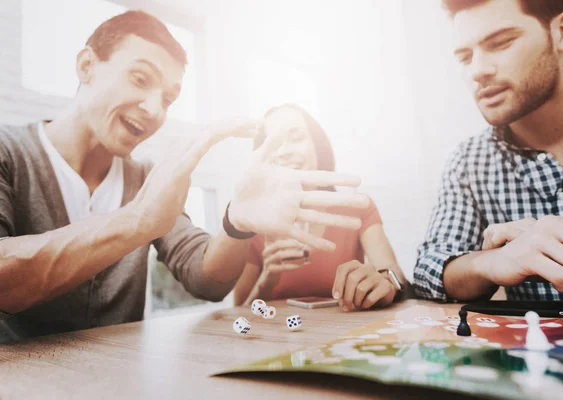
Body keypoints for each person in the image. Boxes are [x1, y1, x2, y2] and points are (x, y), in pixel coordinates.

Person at [0, 11, 371, 342]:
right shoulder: (7, 153)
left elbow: (206, 279)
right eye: (140, 78)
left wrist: (235, 222)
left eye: (168, 99)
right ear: (86, 65)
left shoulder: (146, 176)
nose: (153, 109)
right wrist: (138, 219)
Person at [414, 0, 563, 302]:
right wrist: (490, 263)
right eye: (465, 57)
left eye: (500, 44)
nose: (477, 71)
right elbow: (429, 269)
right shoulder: (470, 161)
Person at [233, 104, 409, 311]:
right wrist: (266, 280)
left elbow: (394, 275)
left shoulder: (358, 207)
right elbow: (239, 311)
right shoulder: (251, 221)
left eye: (296, 137)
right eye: (272, 143)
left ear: (318, 146)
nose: (284, 152)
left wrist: (384, 283)